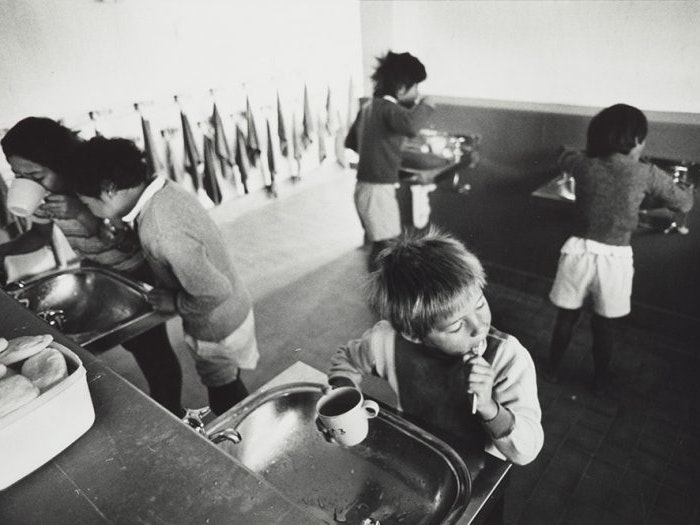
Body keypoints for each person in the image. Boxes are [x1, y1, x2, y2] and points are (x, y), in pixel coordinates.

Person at [0, 117, 184, 416]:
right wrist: (4, 251)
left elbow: (127, 241)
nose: (27, 184)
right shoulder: (44, 195)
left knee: (154, 353)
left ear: (59, 163)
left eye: (35, 174)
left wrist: (80, 213)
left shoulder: (94, 184)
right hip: (98, 269)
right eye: (19, 175)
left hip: (136, 273)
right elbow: (39, 236)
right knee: (137, 345)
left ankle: (172, 408)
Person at [68, 136, 258, 416]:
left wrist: (175, 302)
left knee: (225, 393)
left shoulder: (160, 230)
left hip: (215, 324)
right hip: (233, 312)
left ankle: (240, 441)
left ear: (108, 189)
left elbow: (215, 291)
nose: (89, 211)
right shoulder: (163, 190)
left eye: (87, 203)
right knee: (228, 379)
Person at [327, 228, 543, 467]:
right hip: (416, 456)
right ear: (413, 335)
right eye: (455, 326)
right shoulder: (387, 341)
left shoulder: (507, 357)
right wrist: (342, 404)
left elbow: (526, 451)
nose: (479, 327)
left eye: (480, 304)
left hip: (479, 473)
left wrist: (488, 407)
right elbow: (348, 359)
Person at [544, 104, 694, 393]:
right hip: (616, 258)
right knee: (604, 325)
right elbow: (683, 203)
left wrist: (568, 150)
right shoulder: (646, 174)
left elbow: (563, 156)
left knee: (566, 317)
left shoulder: (583, 164)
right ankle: (600, 380)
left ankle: (551, 369)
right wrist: (681, 193)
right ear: (636, 141)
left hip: (578, 252)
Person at [345, 51, 436, 270]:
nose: (418, 93)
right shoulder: (388, 109)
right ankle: (382, 294)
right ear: (401, 87)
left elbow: (352, 142)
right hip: (377, 191)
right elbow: (411, 126)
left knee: (383, 245)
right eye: (416, 87)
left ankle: (383, 290)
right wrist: (426, 105)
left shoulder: (369, 107)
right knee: (385, 249)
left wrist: (383, 149)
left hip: (367, 188)